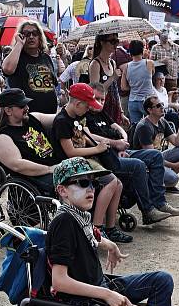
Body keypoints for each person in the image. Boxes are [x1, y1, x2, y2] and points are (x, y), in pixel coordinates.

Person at [46, 157, 174, 306]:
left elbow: (90, 236)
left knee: (162, 280)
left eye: (93, 184)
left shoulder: (79, 216)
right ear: (62, 190)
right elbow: (59, 281)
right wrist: (107, 295)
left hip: (99, 286)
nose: (91, 189)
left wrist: (110, 245)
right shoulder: (64, 222)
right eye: (83, 183)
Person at [85, 83, 177, 224]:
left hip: (120, 150)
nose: (100, 103)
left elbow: (119, 127)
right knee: (138, 165)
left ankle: (160, 203)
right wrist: (116, 144)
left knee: (155, 155)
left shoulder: (101, 112)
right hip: (105, 157)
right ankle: (148, 211)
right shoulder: (85, 115)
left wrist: (122, 142)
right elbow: (89, 136)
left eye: (103, 99)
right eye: (97, 99)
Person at [52, 83, 132, 243]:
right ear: (77, 103)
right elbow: (70, 152)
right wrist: (98, 149)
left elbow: (85, 138)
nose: (89, 109)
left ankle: (110, 227)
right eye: (87, 105)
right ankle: (97, 228)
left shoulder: (78, 117)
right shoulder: (62, 121)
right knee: (111, 182)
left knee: (119, 184)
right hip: (70, 165)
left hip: (82, 162)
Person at [0, 88, 58, 195]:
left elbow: (59, 119)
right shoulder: (3, 137)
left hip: (53, 167)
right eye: (22, 106)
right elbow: (18, 165)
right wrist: (49, 169)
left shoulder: (33, 118)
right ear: (8, 110)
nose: (27, 108)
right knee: (70, 186)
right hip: (33, 179)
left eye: (26, 104)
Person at [134, 95, 179, 194]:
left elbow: (177, 142)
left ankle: (162, 182)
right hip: (145, 163)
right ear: (149, 110)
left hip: (158, 157)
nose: (162, 107)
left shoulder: (162, 121)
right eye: (158, 106)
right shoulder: (144, 127)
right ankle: (155, 183)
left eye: (162, 104)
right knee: (173, 179)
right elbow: (150, 157)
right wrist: (174, 165)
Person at [1, 20, 59, 114]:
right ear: (21, 36)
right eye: (27, 34)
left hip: (49, 115)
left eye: (35, 33)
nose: (31, 37)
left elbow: (53, 84)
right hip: (26, 116)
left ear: (40, 37)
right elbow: (7, 69)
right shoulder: (17, 57)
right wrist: (19, 44)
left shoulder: (46, 58)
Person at [88, 34, 125, 127]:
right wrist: (112, 78)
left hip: (114, 108)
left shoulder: (112, 62)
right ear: (102, 42)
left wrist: (121, 112)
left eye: (117, 41)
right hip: (101, 110)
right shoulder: (95, 64)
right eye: (112, 41)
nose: (115, 45)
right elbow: (94, 93)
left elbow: (116, 90)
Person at [121, 40, 155, 124]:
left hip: (133, 101)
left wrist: (133, 87)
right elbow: (152, 74)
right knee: (153, 125)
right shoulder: (149, 63)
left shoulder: (126, 66)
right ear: (142, 50)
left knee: (135, 128)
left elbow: (123, 87)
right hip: (148, 101)